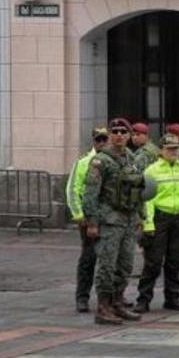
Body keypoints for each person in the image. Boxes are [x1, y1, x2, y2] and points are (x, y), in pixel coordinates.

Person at [83, 118, 147, 325]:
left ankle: (118, 302)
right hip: (109, 220)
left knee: (126, 264)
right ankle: (103, 307)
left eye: (123, 131)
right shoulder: (100, 161)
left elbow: (139, 188)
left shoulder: (130, 158)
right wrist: (91, 222)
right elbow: (91, 193)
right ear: (110, 134)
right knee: (106, 265)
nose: (119, 135)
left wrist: (141, 216)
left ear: (129, 135)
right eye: (115, 131)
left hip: (128, 219)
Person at [135, 135, 179, 313]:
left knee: (174, 261)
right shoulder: (151, 171)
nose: (173, 152)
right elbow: (147, 200)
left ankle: (172, 298)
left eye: (175, 148)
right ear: (161, 151)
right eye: (169, 149)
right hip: (159, 217)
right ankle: (143, 299)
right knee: (153, 262)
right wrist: (148, 224)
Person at [66, 126, 109, 313]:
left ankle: (112, 298)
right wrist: (79, 215)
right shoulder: (83, 162)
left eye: (104, 139)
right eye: (98, 139)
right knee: (88, 259)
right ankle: (82, 297)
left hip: (110, 216)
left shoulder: (114, 160)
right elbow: (72, 190)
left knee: (110, 259)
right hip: (90, 217)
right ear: (93, 141)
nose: (101, 143)